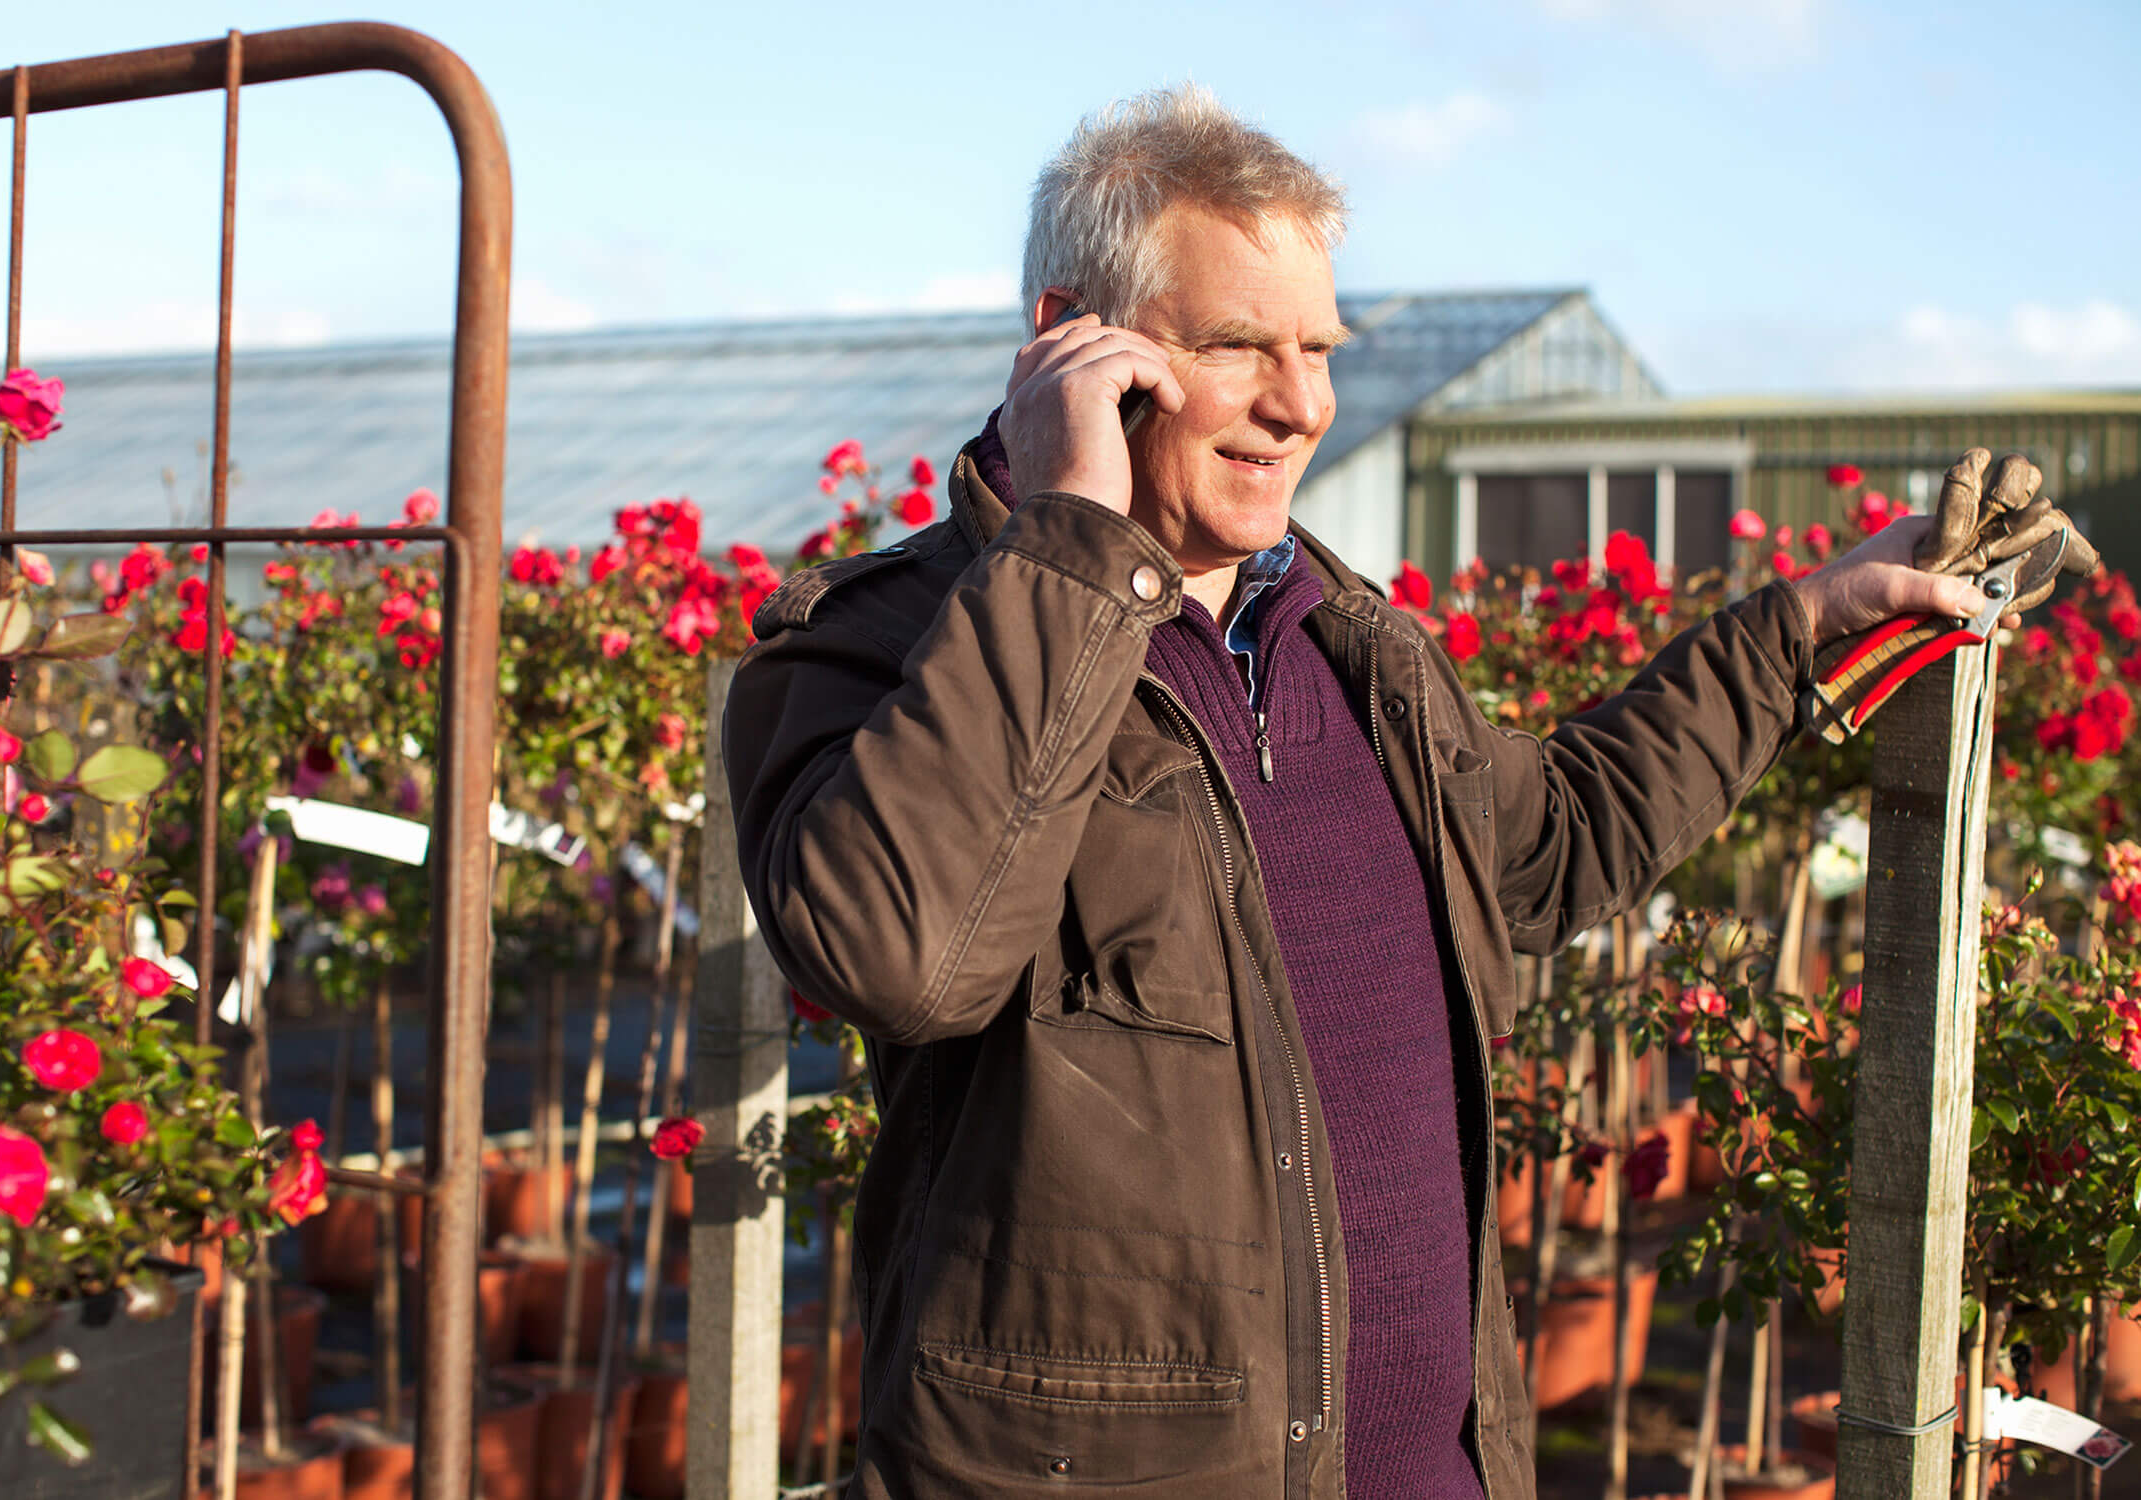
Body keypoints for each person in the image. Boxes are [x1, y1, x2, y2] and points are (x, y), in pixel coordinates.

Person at [720, 86, 2088, 1500]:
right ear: (1073, 339)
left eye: (1317, 347)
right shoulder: (882, 649)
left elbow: (1548, 852)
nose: (1303, 401)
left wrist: (1798, 626)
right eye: (1241, 345)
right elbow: (905, 956)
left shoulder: (1344, 642)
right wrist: (1073, 540)